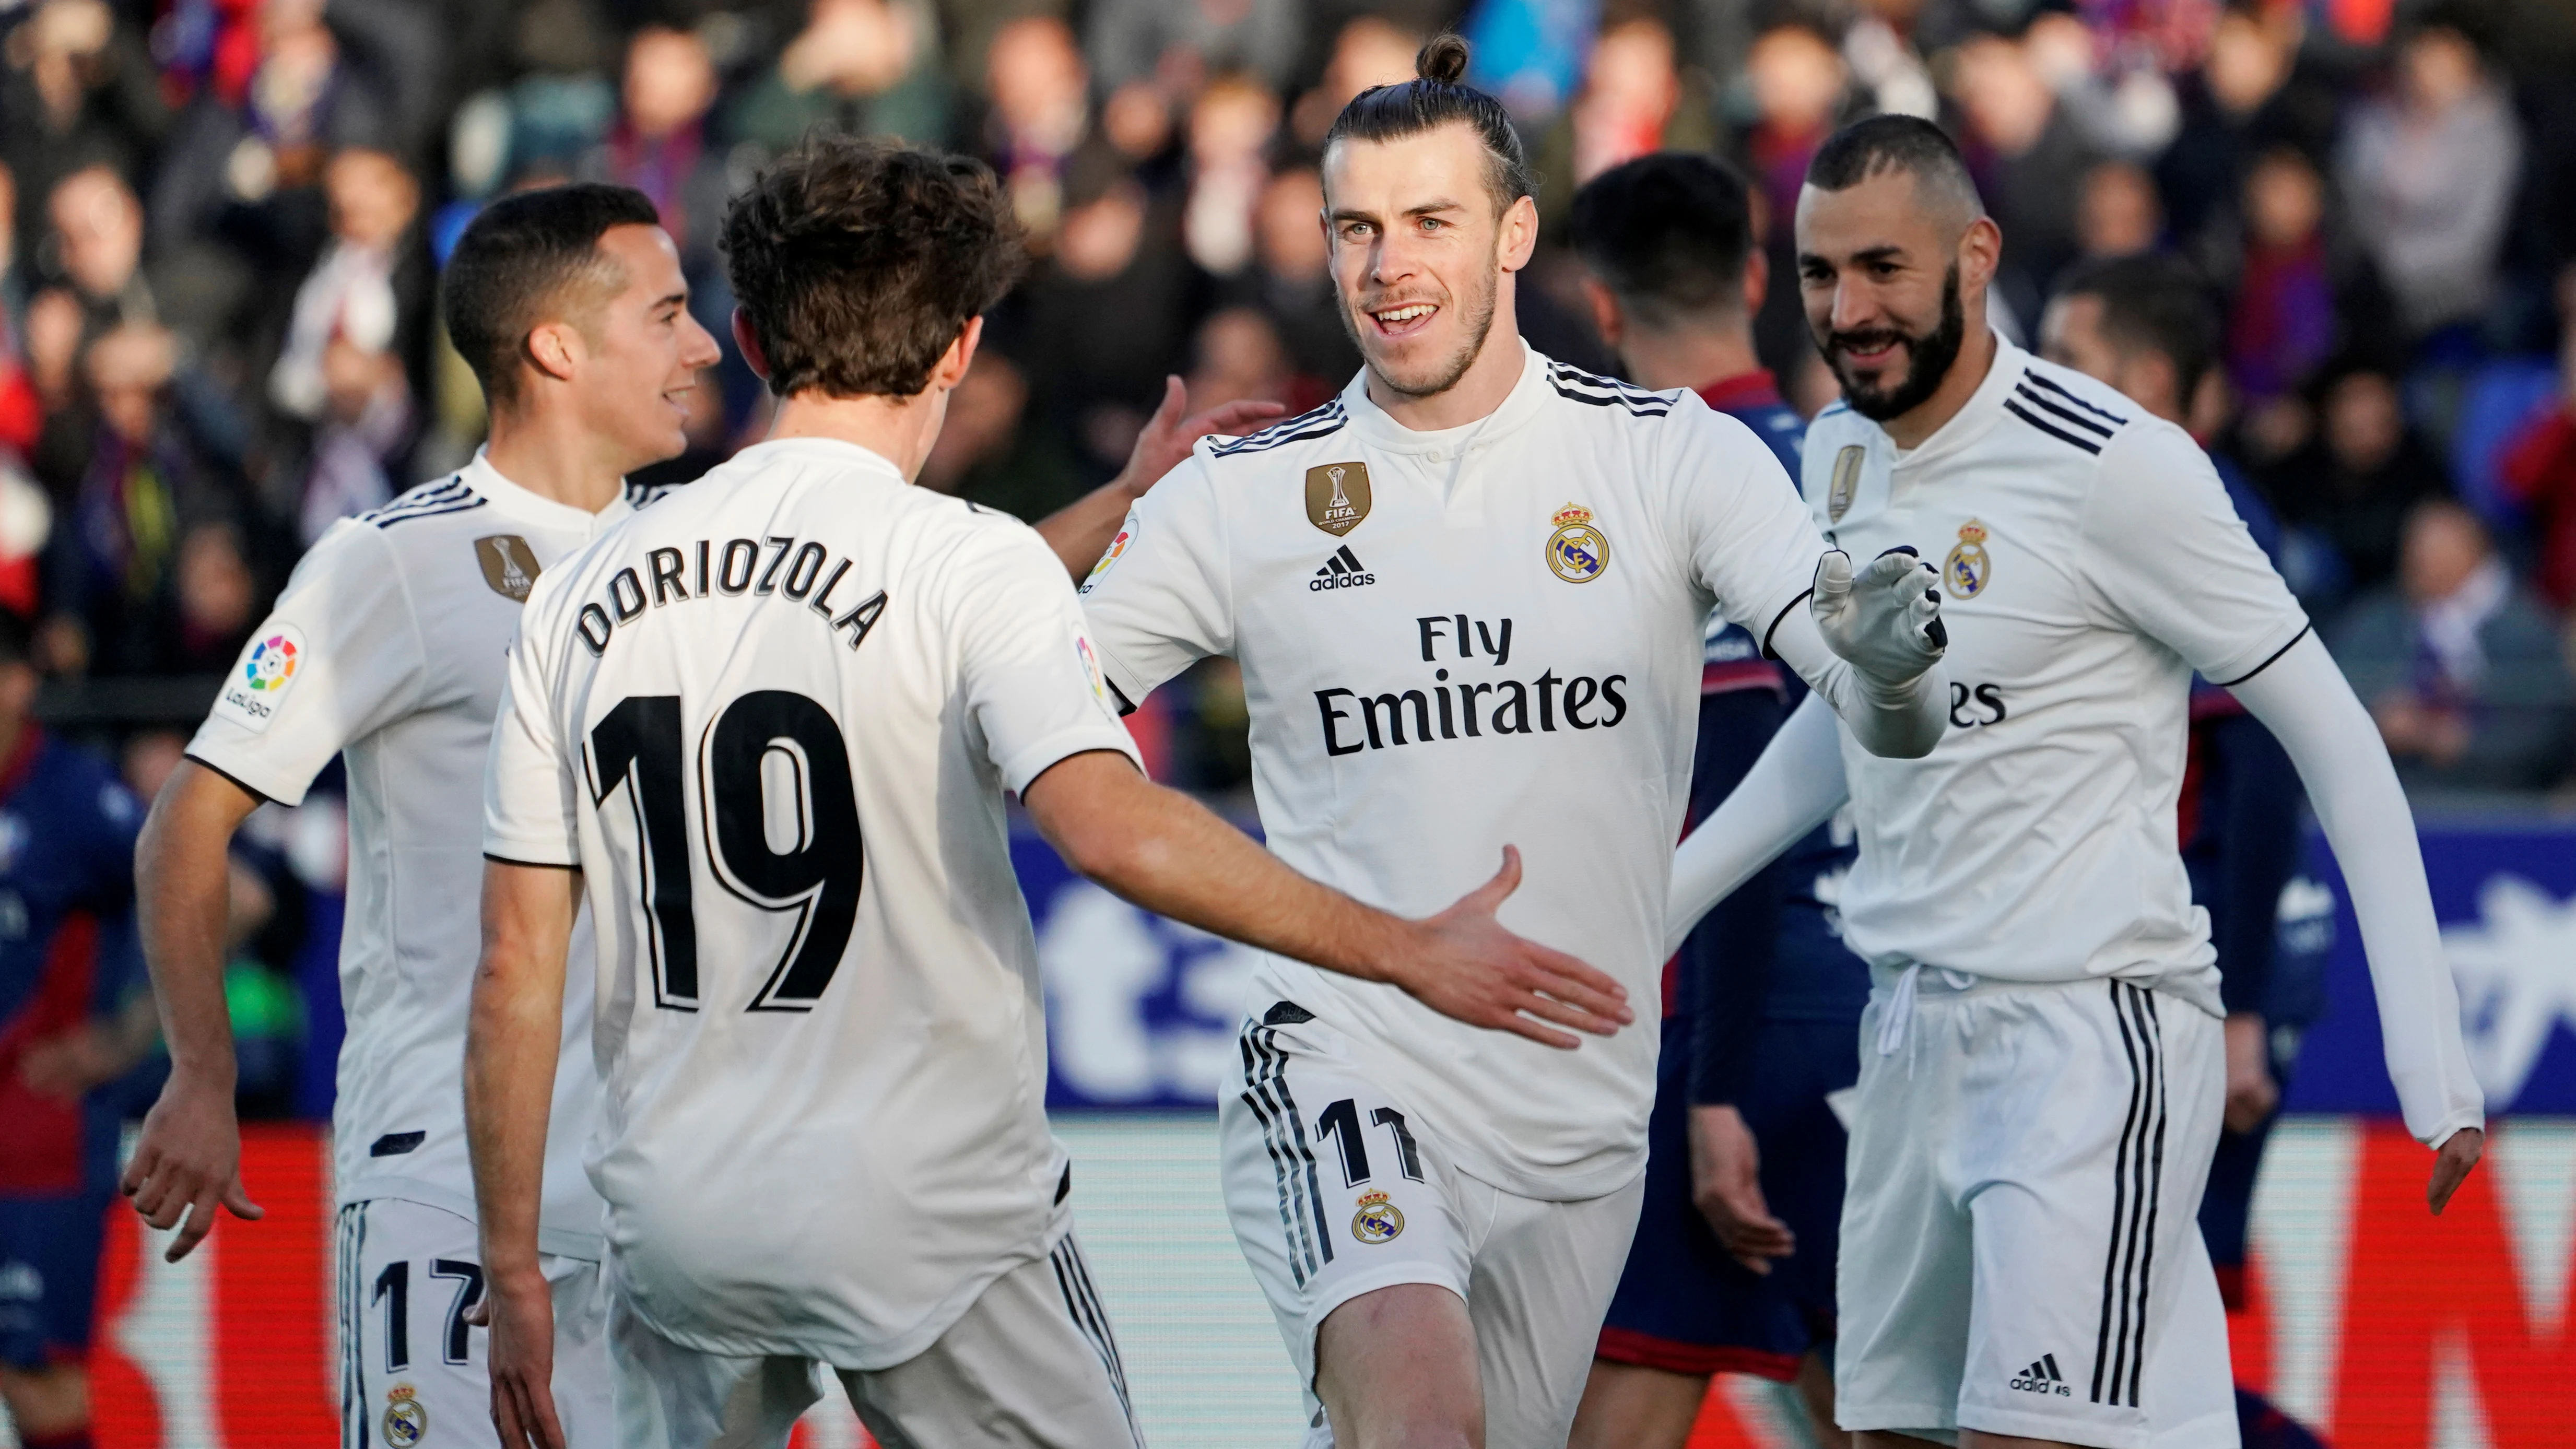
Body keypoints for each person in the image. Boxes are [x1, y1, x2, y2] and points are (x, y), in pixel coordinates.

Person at [465, 135, 1628, 1449]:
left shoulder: (577, 597)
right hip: (928, 1222)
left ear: (748, 338)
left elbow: (516, 963)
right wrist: (1406, 949)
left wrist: (511, 1269)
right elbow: (1109, 827)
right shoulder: (958, 562)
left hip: (675, 1226)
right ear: (961, 348)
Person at [1076, 38, 1951, 1449]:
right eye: (1355, 227)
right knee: (1424, 1422)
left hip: (1579, 1110)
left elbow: (1855, 694)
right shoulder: (1242, 492)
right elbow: (1048, 718)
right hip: (1346, 1056)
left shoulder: (1671, 455)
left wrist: (1899, 664)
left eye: (1428, 221)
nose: (1386, 262)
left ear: (1515, 235)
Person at [1669, 114, 2486, 1449]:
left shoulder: (2122, 464)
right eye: (1820, 274)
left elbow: (2334, 738)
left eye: (1883, 268)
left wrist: (2430, 1054)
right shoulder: (1839, 454)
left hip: (2086, 1037)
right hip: (1908, 1029)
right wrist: (1653, 908)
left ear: (1976, 255)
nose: (1847, 308)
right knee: (1885, 1438)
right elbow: (1862, 719)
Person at [116, 182, 724, 1448]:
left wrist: (1128, 507)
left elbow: (937, 594)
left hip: (658, 1196)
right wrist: (202, 1071)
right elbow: (188, 818)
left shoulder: (699, 547)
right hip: (444, 1187)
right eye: (668, 313)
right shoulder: (390, 560)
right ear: (557, 347)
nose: (703, 345)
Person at [1560, 151, 1856, 1449]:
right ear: (1755, 279)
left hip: (1726, 1011)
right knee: (1874, 1403)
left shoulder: (1661, 483)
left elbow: (1735, 778)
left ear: (1602, 308)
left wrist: (1717, 1079)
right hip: (1880, 997)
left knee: (1616, 1412)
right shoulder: (1855, 469)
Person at [2039, 253, 2330, 1449]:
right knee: (2131, 1337)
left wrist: (2242, 1007)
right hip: (2202, 956)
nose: (2034, 383)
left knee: (2122, 1332)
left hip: (2210, 964)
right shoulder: (2147, 510)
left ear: (2145, 378)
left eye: (2064, 358)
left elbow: (2263, 766)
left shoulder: (2196, 514)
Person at [0, 609, 155, 1449]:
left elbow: (227, 895)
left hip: (41, 1145)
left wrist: (126, 1037)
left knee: (41, 1383)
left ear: (20, 683)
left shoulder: (74, 796)